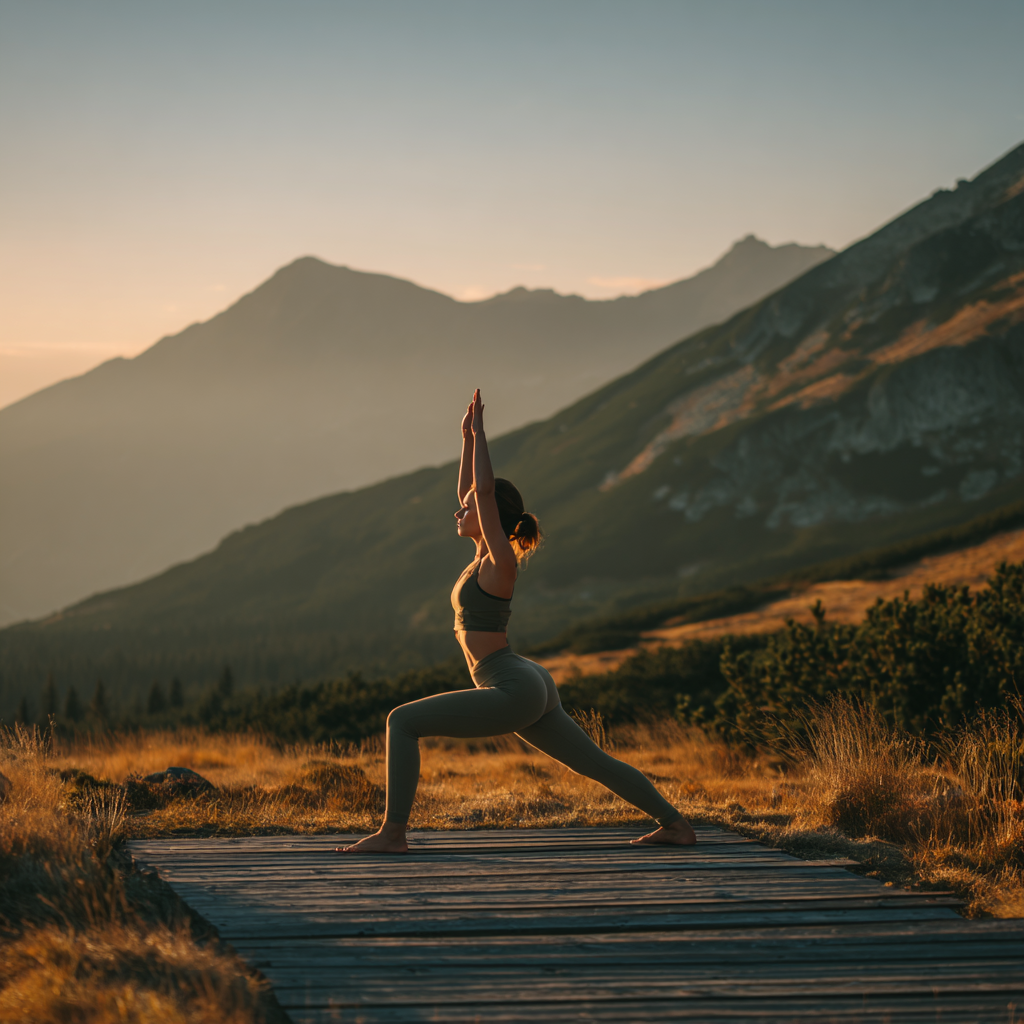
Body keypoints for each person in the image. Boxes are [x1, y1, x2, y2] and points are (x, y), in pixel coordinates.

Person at [340, 390, 696, 853]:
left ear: (491, 519)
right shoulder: (480, 557)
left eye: (467, 510)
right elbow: (471, 490)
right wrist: (466, 439)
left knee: (401, 721)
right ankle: (676, 825)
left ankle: (392, 835)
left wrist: (484, 435)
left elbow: (482, 493)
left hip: (511, 686)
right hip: (522, 678)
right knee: (591, 760)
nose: (459, 511)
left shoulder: (500, 561)